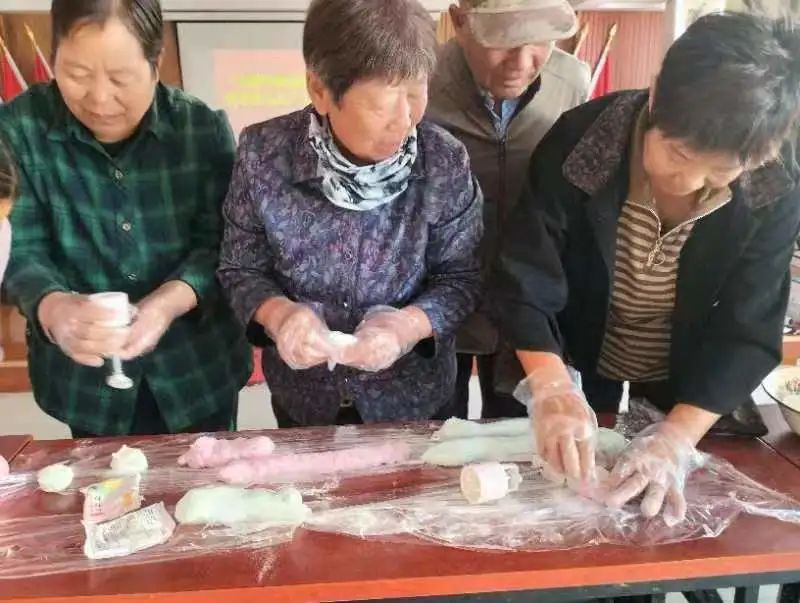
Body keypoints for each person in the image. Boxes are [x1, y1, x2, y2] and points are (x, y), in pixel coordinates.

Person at [492, 12, 800, 524]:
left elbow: (747, 327)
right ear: (655, 93)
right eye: (678, 155)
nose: (690, 183)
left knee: (653, 514)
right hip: (576, 347)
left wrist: (675, 439)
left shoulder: (773, 187)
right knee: (555, 494)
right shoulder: (581, 143)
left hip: (685, 371)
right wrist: (552, 387)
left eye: (721, 172)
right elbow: (525, 276)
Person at [218, 0, 483, 427]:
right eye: (381, 105)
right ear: (320, 90)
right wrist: (280, 314)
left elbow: (461, 279)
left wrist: (406, 327)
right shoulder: (263, 155)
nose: (405, 121)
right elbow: (240, 268)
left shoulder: (443, 161)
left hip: (414, 400)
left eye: (416, 94)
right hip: (305, 400)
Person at [0, 0, 251, 438]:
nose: (99, 99)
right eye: (77, 74)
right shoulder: (19, 129)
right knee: (104, 479)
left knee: (208, 472)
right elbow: (18, 245)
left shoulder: (200, 129)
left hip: (196, 369)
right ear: (54, 54)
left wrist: (168, 302)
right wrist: (54, 307)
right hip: (85, 381)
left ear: (155, 62)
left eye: (120, 78)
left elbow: (223, 243)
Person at [427, 0, 589, 419]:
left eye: (539, 40)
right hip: (435, 301)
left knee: (518, 437)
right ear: (459, 20)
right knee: (433, 434)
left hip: (526, 305)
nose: (521, 62)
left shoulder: (572, 82)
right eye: (503, 40)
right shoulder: (420, 79)